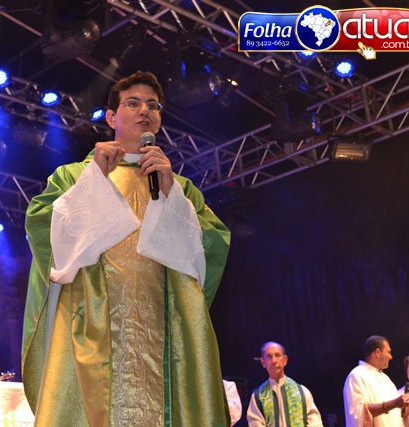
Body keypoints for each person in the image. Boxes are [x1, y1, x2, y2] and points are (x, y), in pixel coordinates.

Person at [22, 70, 231, 426]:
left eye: (153, 105)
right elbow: (43, 228)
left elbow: (212, 246)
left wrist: (170, 195)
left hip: (164, 333)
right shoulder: (75, 175)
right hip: (95, 329)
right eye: (133, 103)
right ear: (111, 117)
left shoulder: (179, 187)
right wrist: (95, 180)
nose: (144, 110)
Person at [247, 342, 323, 427]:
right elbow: (255, 424)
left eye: (277, 355)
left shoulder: (302, 392)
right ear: (263, 362)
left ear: (285, 360)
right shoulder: (257, 397)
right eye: (269, 357)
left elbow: (315, 423)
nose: (274, 361)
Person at [343, 335, 407, 427]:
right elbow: (359, 413)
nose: (391, 357)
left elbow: (397, 412)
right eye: (388, 352)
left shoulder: (385, 378)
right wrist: (394, 403)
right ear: (377, 352)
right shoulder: (357, 375)